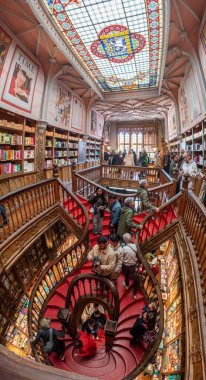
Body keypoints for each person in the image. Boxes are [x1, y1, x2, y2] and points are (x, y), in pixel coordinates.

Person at [121, 233, 139, 299]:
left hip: (126, 265)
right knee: (135, 279)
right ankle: (134, 294)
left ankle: (127, 284)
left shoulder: (124, 248)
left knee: (126, 275)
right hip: (133, 265)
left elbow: (122, 257)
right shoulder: (135, 246)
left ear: (125, 240)